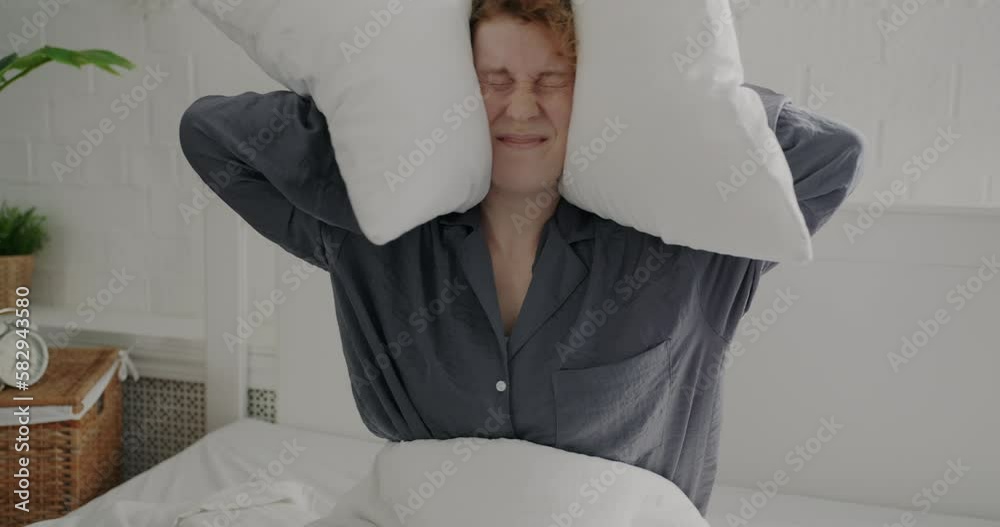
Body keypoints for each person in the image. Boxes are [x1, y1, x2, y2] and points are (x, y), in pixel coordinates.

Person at [179, 0, 864, 516]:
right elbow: (211, 137)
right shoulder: (377, 233)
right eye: (494, 79)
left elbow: (832, 158)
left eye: (552, 79)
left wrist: (673, 105)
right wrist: (378, 135)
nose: (522, 107)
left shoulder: (685, 243)